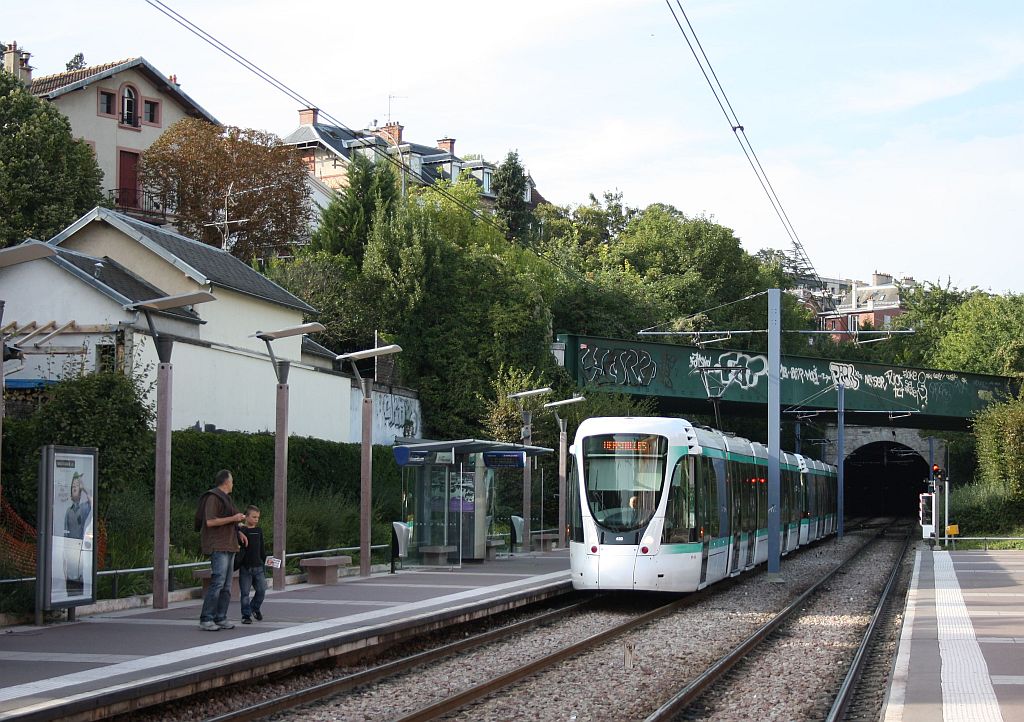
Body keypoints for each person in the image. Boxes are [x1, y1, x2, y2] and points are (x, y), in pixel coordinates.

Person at [194, 469, 246, 631]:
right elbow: (210, 522)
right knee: (217, 582)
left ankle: (221, 617)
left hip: (230, 545)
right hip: (219, 546)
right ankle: (206, 618)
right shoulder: (213, 497)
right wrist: (234, 518)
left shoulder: (227, 499)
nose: (233, 484)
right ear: (226, 481)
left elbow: (230, 521)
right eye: (232, 481)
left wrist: (239, 530)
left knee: (227, 585)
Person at [63, 473, 92, 596]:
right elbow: (65, 535)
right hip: (70, 552)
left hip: (79, 551)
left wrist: (83, 487)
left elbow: (93, 502)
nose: (75, 488)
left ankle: (77, 602)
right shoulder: (68, 511)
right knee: (70, 583)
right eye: (73, 486)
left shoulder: (84, 508)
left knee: (79, 581)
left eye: (76, 486)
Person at [237, 505, 267, 624]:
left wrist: (265, 561)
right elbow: (235, 531)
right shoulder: (242, 530)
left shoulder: (259, 530)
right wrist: (239, 527)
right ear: (246, 516)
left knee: (262, 590)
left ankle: (254, 607)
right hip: (245, 567)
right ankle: (246, 615)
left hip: (258, 566)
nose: (256, 519)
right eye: (254, 517)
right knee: (245, 593)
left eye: (258, 517)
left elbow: (262, 548)